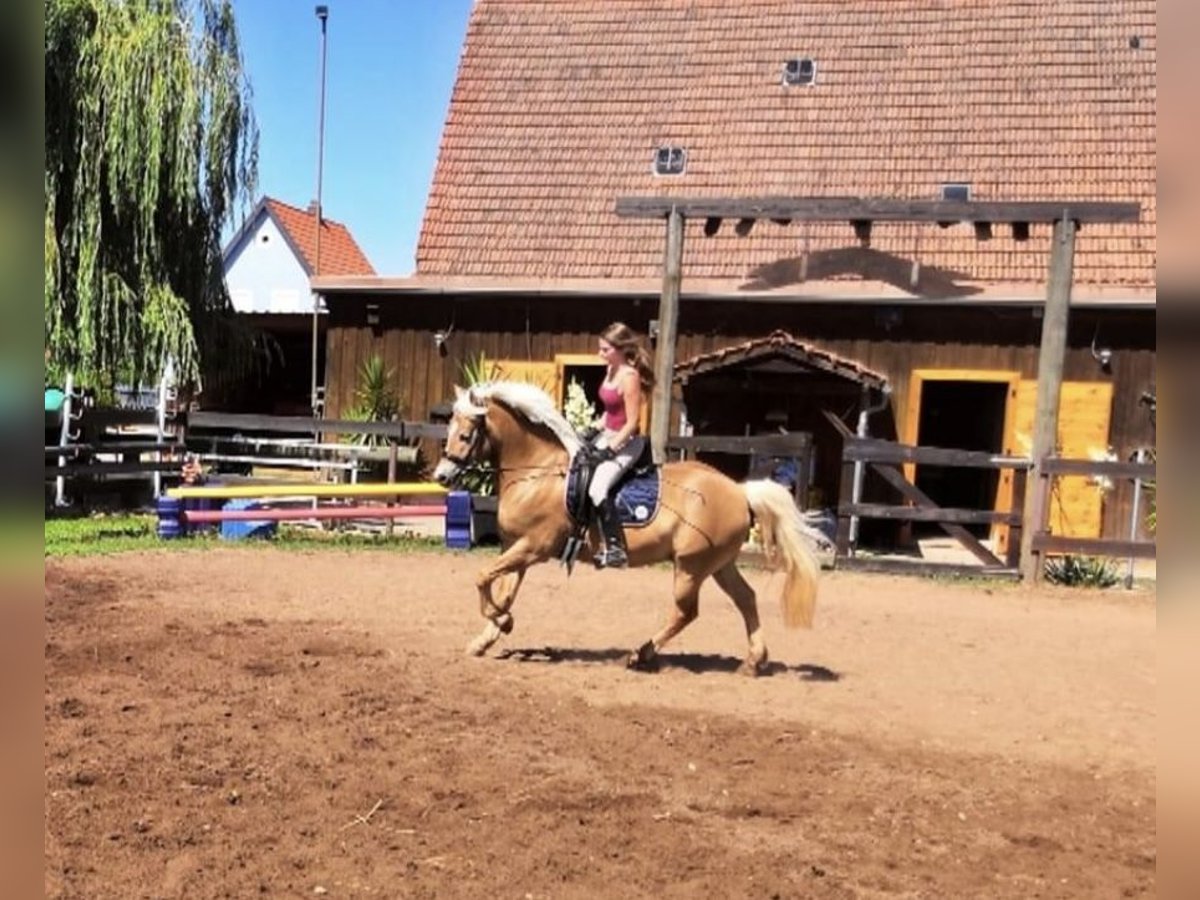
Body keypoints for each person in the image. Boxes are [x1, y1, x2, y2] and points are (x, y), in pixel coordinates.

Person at [587, 322, 655, 568]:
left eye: (605, 350)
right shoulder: (610, 371)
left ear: (618, 349)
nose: (600, 354)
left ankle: (616, 548)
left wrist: (610, 449)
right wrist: (592, 428)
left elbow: (632, 422)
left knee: (597, 488)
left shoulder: (629, 377)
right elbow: (611, 411)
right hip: (607, 434)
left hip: (627, 443)